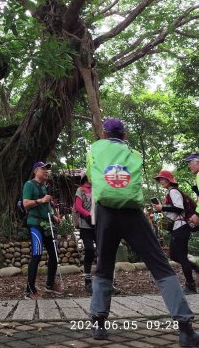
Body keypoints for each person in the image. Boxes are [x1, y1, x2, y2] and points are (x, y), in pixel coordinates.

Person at [87, 118, 199, 345]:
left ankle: (99, 323)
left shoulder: (95, 149)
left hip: (106, 213)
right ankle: (185, 329)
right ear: (124, 134)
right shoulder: (135, 154)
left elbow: (92, 177)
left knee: (104, 265)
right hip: (133, 214)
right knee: (161, 266)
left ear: (105, 134)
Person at [154, 170, 199, 294]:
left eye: (163, 179)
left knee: (181, 256)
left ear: (169, 180)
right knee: (174, 255)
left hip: (181, 227)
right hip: (177, 227)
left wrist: (161, 207)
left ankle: (190, 285)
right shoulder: (170, 192)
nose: (161, 181)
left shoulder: (173, 191)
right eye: (160, 180)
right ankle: (196, 269)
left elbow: (179, 208)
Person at [22, 161, 62, 300]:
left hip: (47, 224)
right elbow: (25, 203)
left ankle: (49, 285)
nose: (46, 171)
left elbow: (46, 207)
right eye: (43, 169)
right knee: (37, 254)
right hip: (34, 224)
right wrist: (41, 200)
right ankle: (29, 290)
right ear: (35, 171)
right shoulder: (29, 185)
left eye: (47, 169)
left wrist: (54, 217)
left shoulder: (44, 187)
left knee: (54, 254)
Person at [75, 173, 95, 294]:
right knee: (89, 250)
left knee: (103, 251)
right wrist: (88, 215)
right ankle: (88, 280)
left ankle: (106, 281)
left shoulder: (97, 189)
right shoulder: (80, 190)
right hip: (86, 225)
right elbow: (78, 206)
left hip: (97, 225)